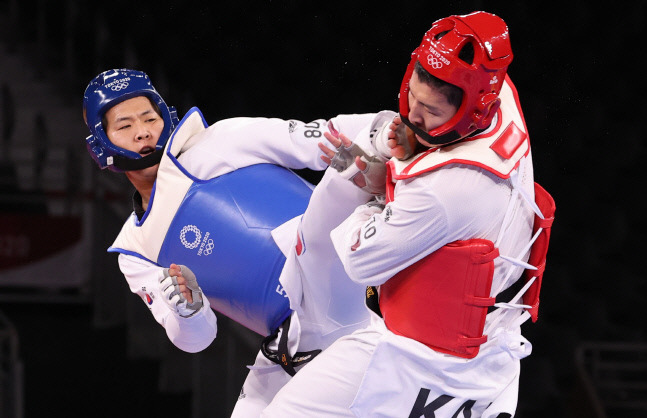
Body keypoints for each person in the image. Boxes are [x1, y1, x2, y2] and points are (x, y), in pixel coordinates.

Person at [261, 11, 555, 417]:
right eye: (412, 95)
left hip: (421, 358)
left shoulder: (445, 191)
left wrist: (380, 188)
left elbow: (360, 260)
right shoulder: (500, 96)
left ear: (472, 109)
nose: (413, 115)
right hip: (490, 341)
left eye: (430, 111)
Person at [82, 68, 388, 414]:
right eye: (125, 126)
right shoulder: (136, 250)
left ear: (165, 118)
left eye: (149, 118)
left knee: (353, 163)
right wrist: (188, 310)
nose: (142, 132)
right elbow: (197, 340)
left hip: (350, 277)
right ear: (100, 144)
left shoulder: (221, 140)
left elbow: (326, 136)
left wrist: (394, 133)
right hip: (296, 337)